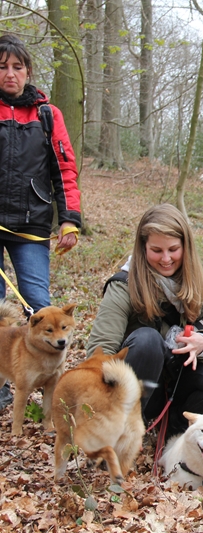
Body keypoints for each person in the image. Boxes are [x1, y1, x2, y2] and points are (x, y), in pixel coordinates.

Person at [87, 204, 203, 438]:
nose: (166, 259)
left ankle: (175, 432)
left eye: (173, 249)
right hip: (134, 386)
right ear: (143, 248)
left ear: (185, 247)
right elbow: (100, 351)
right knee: (147, 340)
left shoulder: (195, 282)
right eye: (156, 250)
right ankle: (124, 431)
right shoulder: (124, 285)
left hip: (179, 379)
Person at [0, 34, 81, 410]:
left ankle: (49, 383)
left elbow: (63, 168)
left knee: (39, 305)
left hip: (31, 224)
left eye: (17, 67)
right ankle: (5, 380)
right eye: (2, 68)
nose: (10, 74)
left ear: (28, 71)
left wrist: (69, 221)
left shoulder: (47, 114)